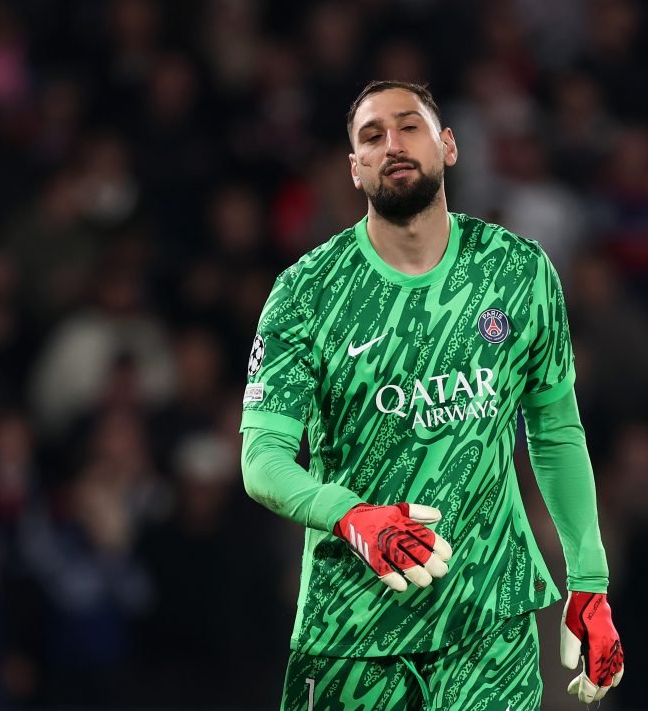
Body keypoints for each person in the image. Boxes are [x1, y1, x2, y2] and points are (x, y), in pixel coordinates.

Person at [239, 80, 624, 710]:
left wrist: (589, 580)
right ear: (355, 168)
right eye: (372, 136)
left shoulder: (518, 272)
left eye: (409, 126)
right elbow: (261, 461)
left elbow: (556, 433)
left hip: (490, 628)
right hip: (353, 628)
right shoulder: (307, 293)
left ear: (448, 146)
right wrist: (351, 516)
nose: (392, 144)